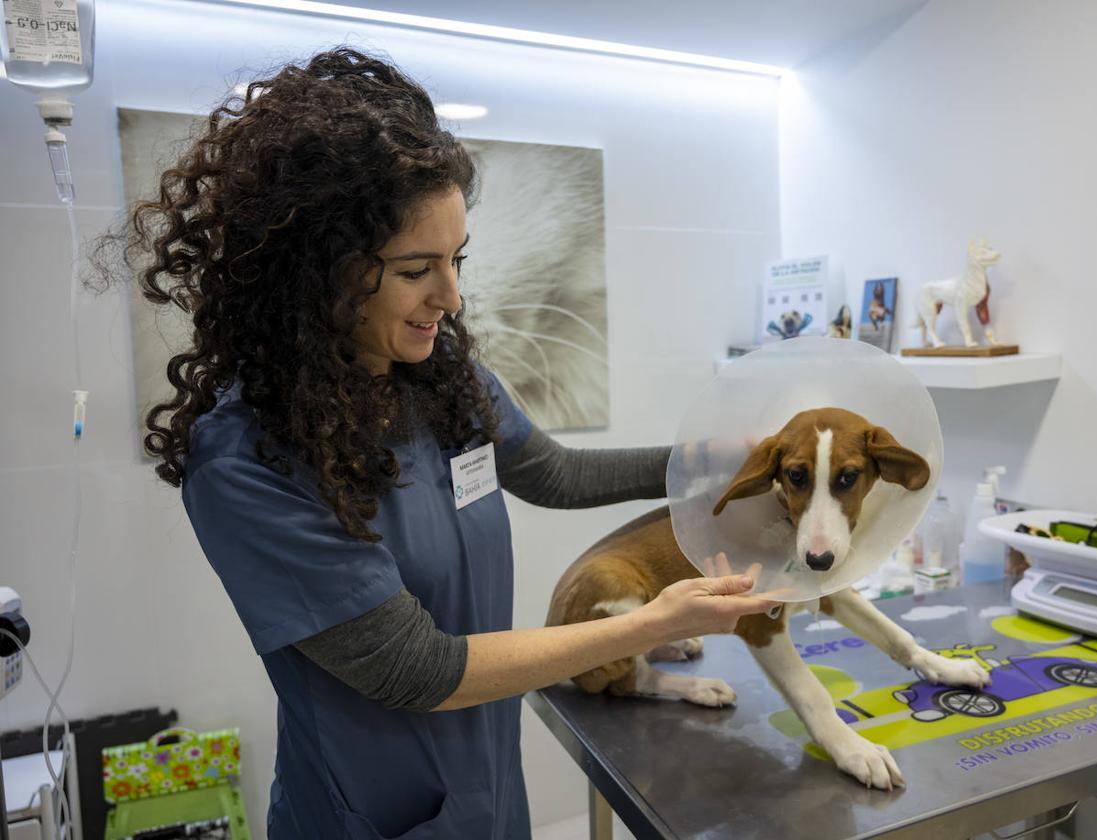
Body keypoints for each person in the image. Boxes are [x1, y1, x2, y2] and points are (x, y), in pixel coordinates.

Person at [114, 47, 777, 839]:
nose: (452, 297)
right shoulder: (247, 460)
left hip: (488, 782)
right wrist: (651, 624)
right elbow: (415, 669)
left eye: (457, 261)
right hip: (368, 813)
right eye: (416, 270)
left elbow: (555, 474)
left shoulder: (441, 380)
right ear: (317, 272)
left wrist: (703, 464)